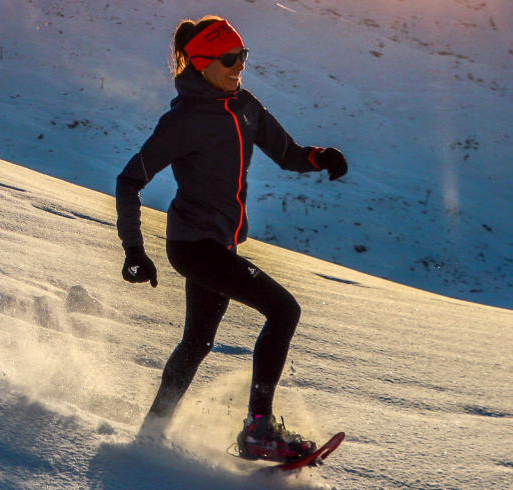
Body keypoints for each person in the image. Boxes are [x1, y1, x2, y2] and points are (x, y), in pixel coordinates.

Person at [115, 15, 348, 463]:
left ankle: (151, 433)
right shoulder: (182, 121)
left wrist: (321, 158)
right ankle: (259, 429)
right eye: (229, 58)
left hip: (221, 245)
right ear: (201, 63)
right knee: (284, 310)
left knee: (198, 341)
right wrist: (134, 249)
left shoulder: (245, 106)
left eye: (243, 55)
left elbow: (287, 153)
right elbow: (129, 181)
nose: (239, 65)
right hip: (192, 246)